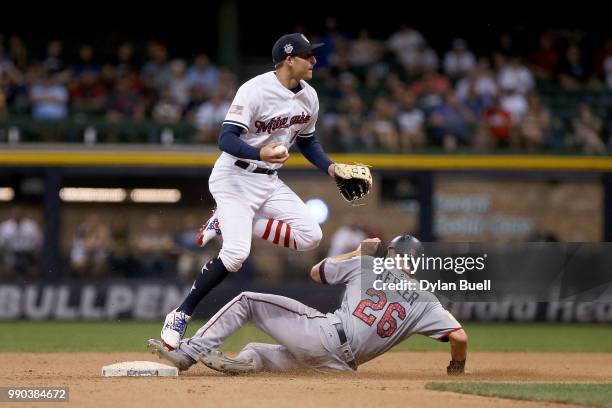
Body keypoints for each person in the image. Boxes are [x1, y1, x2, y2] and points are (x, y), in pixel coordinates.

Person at [160, 33, 340, 349]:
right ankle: (181, 313)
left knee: (310, 236)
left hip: (268, 181)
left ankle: (230, 221)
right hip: (234, 178)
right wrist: (259, 153)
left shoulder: (310, 96)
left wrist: (331, 168)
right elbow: (226, 139)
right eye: (307, 56)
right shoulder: (255, 90)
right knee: (236, 253)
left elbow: (309, 141)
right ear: (289, 60)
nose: (313, 61)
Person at [149, 236, 468, 375]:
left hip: (326, 337)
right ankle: (247, 362)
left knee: (247, 301)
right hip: (340, 367)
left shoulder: (371, 266)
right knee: (258, 351)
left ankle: (188, 352)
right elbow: (460, 338)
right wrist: (456, 368)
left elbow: (317, 273)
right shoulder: (427, 299)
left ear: (393, 254)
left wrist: (358, 252)